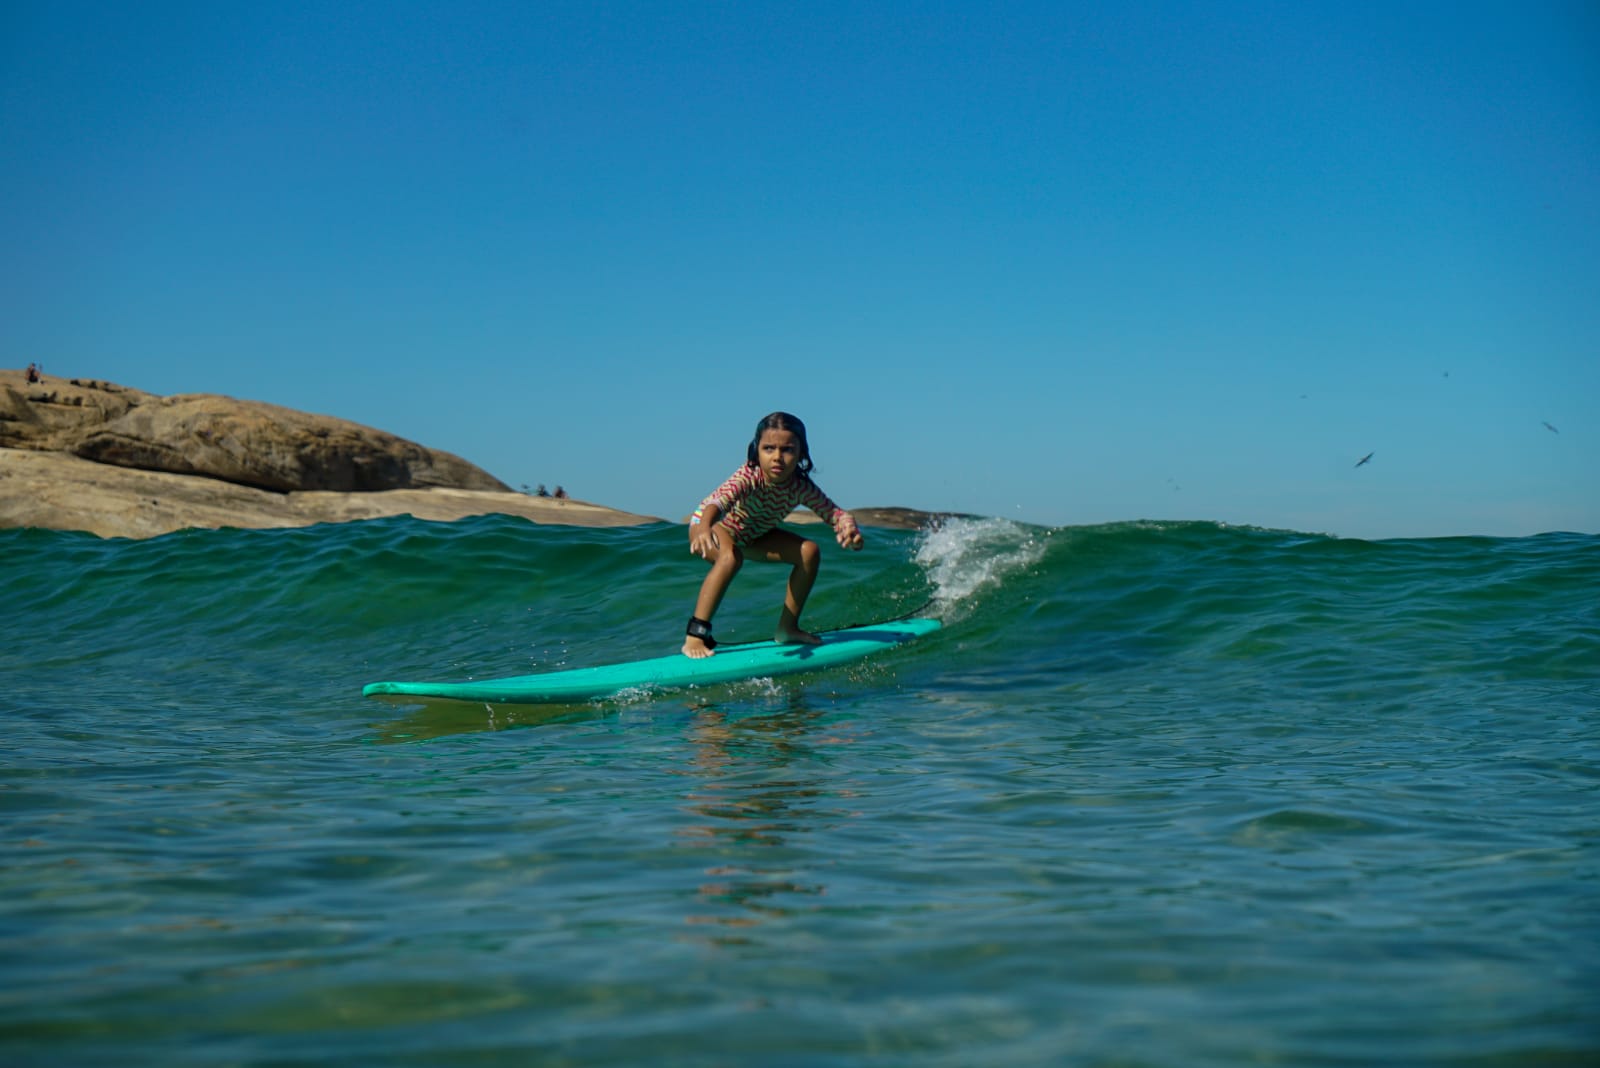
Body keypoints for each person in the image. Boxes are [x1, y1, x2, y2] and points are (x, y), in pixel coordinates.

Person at [684, 411, 864, 658]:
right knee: (730, 558)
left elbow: (833, 513)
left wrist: (848, 527)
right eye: (769, 448)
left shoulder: (800, 487)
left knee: (809, 551)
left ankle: (787, 628)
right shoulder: (749, 476)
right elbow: (717, 504)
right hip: (714, 526)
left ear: (801, 453)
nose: (777, 457)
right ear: (756, 450)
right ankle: (695, 636)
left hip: (753, 535)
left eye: (787, 449)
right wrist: (704, 526)